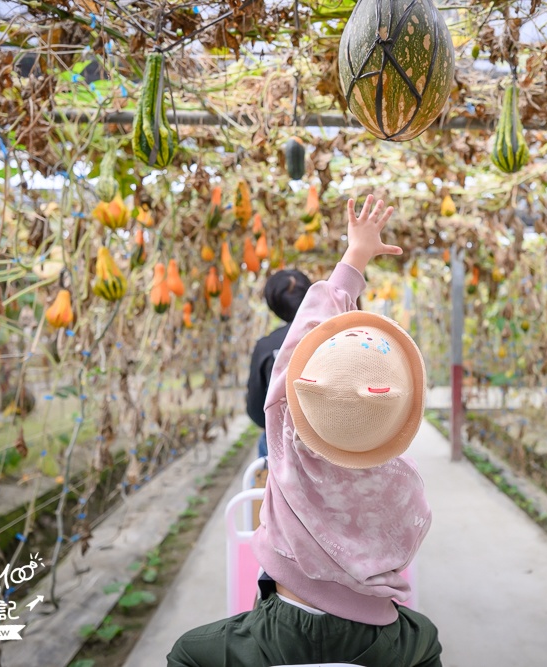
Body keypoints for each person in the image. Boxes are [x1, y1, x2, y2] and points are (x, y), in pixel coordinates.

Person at [167, 195, 442, 667]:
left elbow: (284, 372)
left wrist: (353, 257)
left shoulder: (287, 448)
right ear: (401, 414)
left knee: (187, 655)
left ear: (293, 398)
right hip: (378, 637)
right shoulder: (403, 486)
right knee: (427, 643)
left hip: (280, 627)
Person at [247, 269, 312, 458]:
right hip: (332, 443)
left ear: (274, 305)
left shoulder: (266, 347)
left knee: (266, 441)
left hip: (282, 449)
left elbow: (256, 410)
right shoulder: (334, 335)